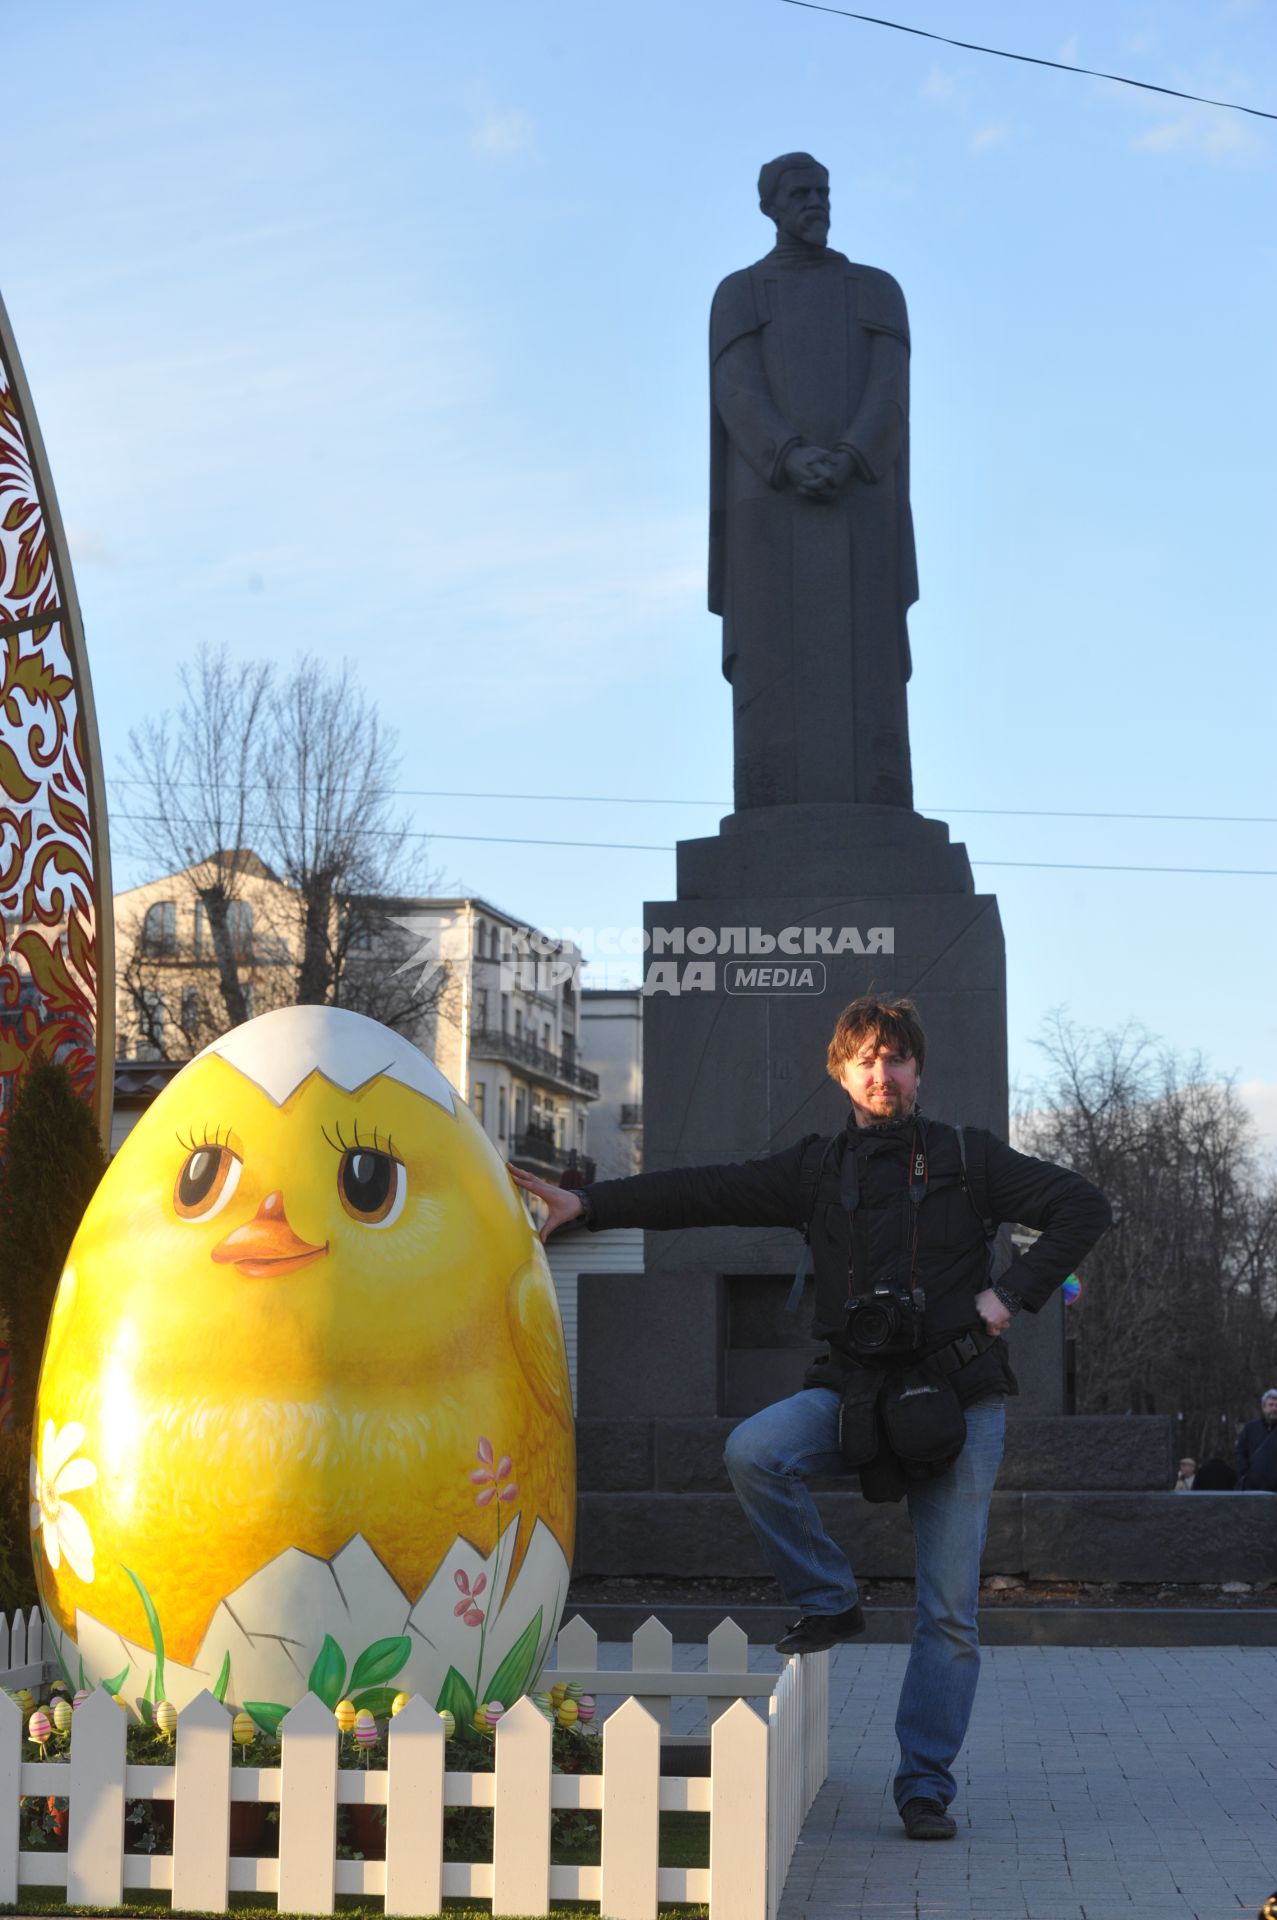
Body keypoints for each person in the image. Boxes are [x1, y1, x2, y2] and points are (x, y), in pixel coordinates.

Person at [511, 994, 1111, 1842]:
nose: (880, 1072)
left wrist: (1008, 1295)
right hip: (854, 1393)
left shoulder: (969, 1161)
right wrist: (591, 1206)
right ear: (839, 1072)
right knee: (755, 1449)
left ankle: (924, 1785)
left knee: (947, 1610)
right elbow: (704, 1190)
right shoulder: (814, 1170)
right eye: (864, 1058)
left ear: (917, 1069)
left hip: (958, 1400)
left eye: (894, 1057)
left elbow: (1081, 1205)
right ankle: (829, 1596)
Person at [709, 154, 918, 811]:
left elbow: (890, 392)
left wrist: (853, 454)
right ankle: (768, 804)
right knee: (772, 665)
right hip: (767, 511)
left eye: (822, 192)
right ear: (769, 206)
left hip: (861, 503)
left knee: (867, 667)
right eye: (799, 193)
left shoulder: (876, 290)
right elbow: (735, 390)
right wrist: (787, 455)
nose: (815, 203)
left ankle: (878, 805)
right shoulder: (738, 294)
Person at [1234, 1389, 1277, 1491]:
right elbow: (1239, 1452)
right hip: (1254, 1487)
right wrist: (1246, 1472)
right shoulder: (1250, 1428)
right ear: (1264, 1407)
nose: (1275, 1408)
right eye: (1271, 1405)